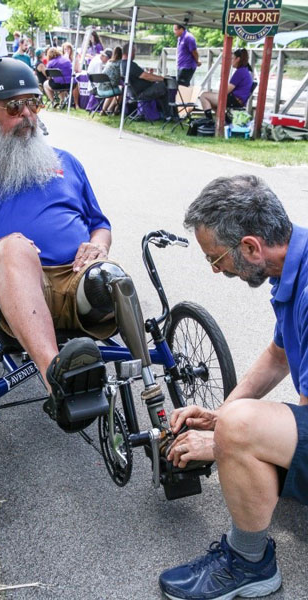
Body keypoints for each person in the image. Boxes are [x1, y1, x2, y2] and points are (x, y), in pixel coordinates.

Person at [0, 57, 121, 405]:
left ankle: (155, 389)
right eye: (14, 106)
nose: (27, 115)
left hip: (74, 279)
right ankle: (58, 386)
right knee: (17, 248)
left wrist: (99, 246)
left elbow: (99, 224)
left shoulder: (67, 162)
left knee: (112, 275)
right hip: (2, 285)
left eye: (33, 102)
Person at [159, 174, 307, 600]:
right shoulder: (295, 262)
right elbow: (278, 356)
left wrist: (225, 440)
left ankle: (248, 564)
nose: (215, 269)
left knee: (243, 429)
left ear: (250, 247)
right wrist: (222, 416)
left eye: (216, 257)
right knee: (239, 423)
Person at [121, 42, 172, 121]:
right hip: (141, 94)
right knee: (164, 86)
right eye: (134, 51)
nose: (135, 54)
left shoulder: (122, 65)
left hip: (132, 93)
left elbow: (143, 76)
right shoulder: (130, 65)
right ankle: (168, 115)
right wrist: (162, 78)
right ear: (130, 52)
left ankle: (162, 114)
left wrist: (154, 77)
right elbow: (146, 76)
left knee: (160, 88)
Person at [200, 48, 253, 121]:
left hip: (234, 100)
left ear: (238, 59)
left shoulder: (240, 72)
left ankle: (208, 121)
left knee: (204, 96)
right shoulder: (245, 70)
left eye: (232, 58)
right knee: (210, 100)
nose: (231, 61)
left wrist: (218, 89)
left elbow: (226, 91)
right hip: (239, 100)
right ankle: (225, 119)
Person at [99, 46, 122, 115]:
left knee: (113, 88)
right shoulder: (120, 63)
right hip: (109, 89)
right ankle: (115, 110)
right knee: (122, 90)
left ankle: (103, 110)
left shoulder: (109, 62)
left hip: (100, 89)